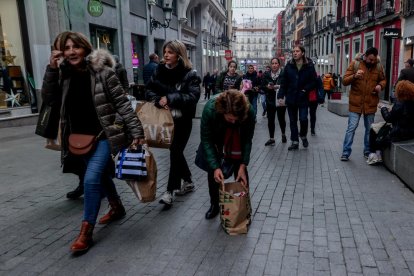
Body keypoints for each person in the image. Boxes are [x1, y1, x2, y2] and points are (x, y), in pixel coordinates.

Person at [42, 31, 145, 253]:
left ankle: (85, 232)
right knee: (100, 175)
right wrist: (51, 68)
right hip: (77, 139)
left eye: (75, 47)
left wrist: (136, 130)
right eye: (66, 48)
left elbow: (123, 104)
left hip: (102, 136)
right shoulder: (63, 74)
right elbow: (49, 99)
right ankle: (116, 207)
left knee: (90, 180)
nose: (71, 52)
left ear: (85, 48)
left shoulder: (104, 73)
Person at [146, 39, 201, 206]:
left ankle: (170, 191)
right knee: (176, 151)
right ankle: (189, 181)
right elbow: (148, 89)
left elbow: (193, 97)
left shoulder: (190, 74)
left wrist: (170, 98)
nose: (166, 55)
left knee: (175, 151)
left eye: (170, 52)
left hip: (183, 120)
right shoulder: (159, 71)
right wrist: (157, 100)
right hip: (165, 119)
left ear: (179, 54)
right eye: (165, 52)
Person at [200, 90, 255, 219]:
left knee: (241, 173)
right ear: (223, 111)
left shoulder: (249, 111)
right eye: (230, 118)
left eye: (236, 119)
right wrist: (215, 167)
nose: (233, 122)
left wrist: (243, 165)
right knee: (213, 171)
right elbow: (206, 140)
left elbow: (247, 140)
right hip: (217, 140)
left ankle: (244, 205)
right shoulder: (210, 109)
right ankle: (214, 204)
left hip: (237, 140)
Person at [340, 47, 386, 161]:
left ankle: (367, 151)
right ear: (365, 56)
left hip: (370, 103)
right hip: (356, 103)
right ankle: (345, 152)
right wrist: (355, 76)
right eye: (370, 59)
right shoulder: (355, 64)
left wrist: (380, 86)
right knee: (351, 128)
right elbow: (344, 81)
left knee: (369, 129)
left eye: (374, 60)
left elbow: (383, 80)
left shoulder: (379, 66)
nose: (372, 62)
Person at [277, 45, 317, 150]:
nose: (294, 53)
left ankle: (303, 135)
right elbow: (284, 81)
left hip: (303, 97)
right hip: (291, 97)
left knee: (303, 119)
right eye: (293, 51)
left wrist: (305, 89)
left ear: (302, 53)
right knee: (293, 121)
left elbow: (314, 81)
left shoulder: (309, 65)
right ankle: (294, 141)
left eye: (297, 51)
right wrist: (280, 95)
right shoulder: (289, 65)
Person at [367, 80, 414, 165]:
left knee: (374, 129)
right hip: (410, 132)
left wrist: (383, 108)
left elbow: (388, 118)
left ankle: (374, 154)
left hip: (398, 133)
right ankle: (376, 153)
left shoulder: (399, 103)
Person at [262, 57, 287, 145]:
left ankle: (283, 134)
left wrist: (278, 86)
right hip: (270, 100)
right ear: (270, 65)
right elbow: (263, 86)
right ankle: (271, 138)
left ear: (279, 65)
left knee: (281, 119)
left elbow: (286, 85)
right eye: (272, 63)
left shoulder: (283, 74)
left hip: (280, 99)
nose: (274, 65)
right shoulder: (266, 74)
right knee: (270, 120)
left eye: (276, 63)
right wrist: (267, 87)